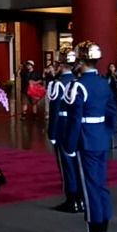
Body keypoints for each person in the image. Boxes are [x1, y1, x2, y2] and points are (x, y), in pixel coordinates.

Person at [62, 41, 117, 232]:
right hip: (100, 138)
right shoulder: (104, 82)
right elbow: (113, 113)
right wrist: (105, 132)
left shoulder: (78, 85)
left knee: (90, 187)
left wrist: (69, 146)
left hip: (85, 140)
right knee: (100, 185)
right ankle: (103, 230)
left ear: (80, 61)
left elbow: (74, 119)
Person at [47, 45, 83, 214]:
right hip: (77, 126)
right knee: (77, 163)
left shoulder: (58, 84)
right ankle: (81, 199)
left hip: (62, 125)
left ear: (61, 65)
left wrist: (52, 133)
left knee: (66, 164)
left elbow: (54, 110)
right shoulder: (79, 82)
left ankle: (72, 199)